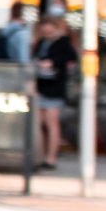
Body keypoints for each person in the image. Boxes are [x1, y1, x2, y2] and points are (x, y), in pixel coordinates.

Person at [30, 14, 77, 171]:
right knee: (39, 123)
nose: (47, 35)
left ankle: (51, 157)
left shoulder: (63, 42)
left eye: (50, 32)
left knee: (51, 122)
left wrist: (53, 63)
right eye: (45, 32)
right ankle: (41, 154)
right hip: (40, 85)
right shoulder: (41, 43)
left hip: (55, 86)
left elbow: (71, 59)